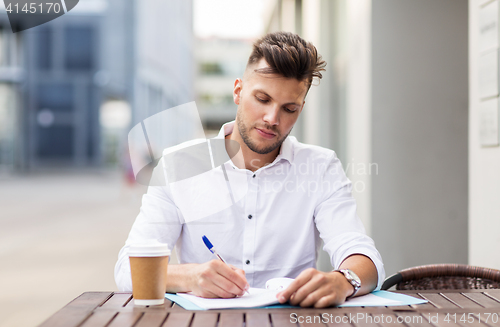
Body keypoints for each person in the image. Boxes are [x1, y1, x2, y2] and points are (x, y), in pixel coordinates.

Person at [115, 31, 385, 308]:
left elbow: (362, 254)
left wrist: (344, 280)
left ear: (301, 109)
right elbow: (127, 269)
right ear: (238, 91)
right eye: (263, 99)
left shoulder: (321, 167)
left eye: (289, 108)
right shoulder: (177, 166)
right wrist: (189, 276)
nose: (272, 119)